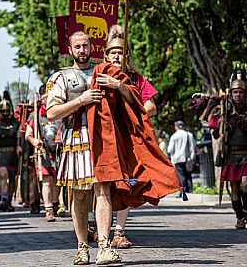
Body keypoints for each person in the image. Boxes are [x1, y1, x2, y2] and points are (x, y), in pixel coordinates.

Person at [46, 31, 122, 265]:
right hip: (76, 137)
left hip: (102, 137)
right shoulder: (62, 77)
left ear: (92, 47)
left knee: (103, 190)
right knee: (79, 196)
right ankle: (82, 247)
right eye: (77, 46)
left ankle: (104, 246)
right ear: (70, 50)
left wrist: (118, 84)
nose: (82, 50)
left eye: (85, 45)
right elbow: (51, 113)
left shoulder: (105, 72)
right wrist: (82, 99)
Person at [101, 25, 159, 249]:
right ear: (106, 55)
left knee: (125, 183)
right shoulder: (99, 75)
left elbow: (150, 107)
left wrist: (125, 93)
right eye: (112, 52)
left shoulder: (135, 78)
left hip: (128, 140)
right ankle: (97, 227)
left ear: (126, 55)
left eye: (120, 52)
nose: (116, 56)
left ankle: (119, 232)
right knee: (101, 185)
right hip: (104, 137)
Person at [210, 77, 247, 229]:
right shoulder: (223, 111)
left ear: (245, 94)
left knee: (246, 184)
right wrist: (219, 125)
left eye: (240, 92)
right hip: (231, 154)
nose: (238, 95)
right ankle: (240, 217)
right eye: (235, 92)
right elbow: (213, 133)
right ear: (231, 94)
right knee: (234, 187)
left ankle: (246, 210)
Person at [25, 88, 61, 222]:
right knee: (47, 181)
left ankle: (56, 204)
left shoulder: (60, 112)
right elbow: (28, 134)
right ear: (42, 99)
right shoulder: (35, 115)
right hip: (44, 152)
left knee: (57, 182)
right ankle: (48, 209)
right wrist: (34, 140)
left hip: (58, 151)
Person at [0, 98, 21, 212]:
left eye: (7, 111)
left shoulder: (15, 122)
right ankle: (2, 198)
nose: (5, 113)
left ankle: (8, 200)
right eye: (3, 111)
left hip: (12, 153)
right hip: (1, 152)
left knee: (11, 177)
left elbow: (17, 136)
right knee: (2, 175)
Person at [168, 121, 196, 193]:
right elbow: (192, 147)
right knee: (188, 174)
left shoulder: (174, 136)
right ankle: (189, 190)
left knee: (181, 175)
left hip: (177, 158)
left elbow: (170, 149)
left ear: (176, 127)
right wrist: (192, 157)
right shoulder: (189, 134)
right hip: (187, 158)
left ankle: (182, 191)